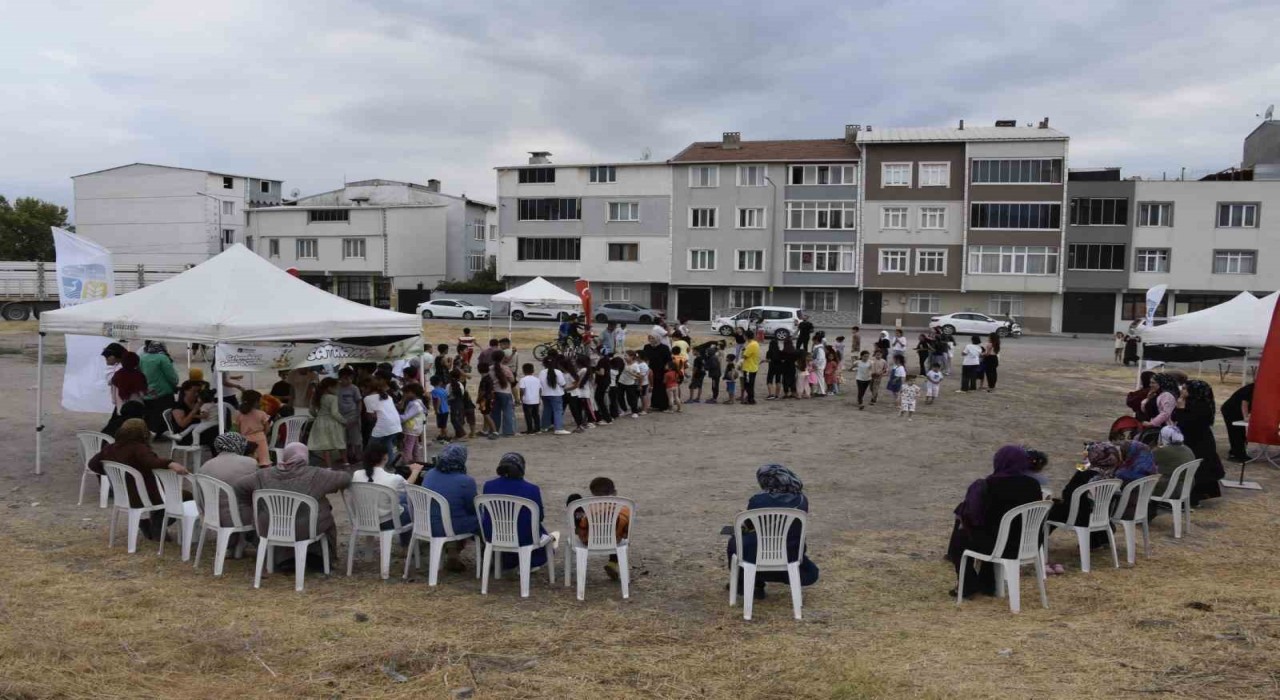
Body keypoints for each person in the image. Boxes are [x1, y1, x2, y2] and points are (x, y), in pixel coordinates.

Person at [234, 442, 352, 570]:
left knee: (317, 508)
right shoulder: (317, 474)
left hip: (271, 527)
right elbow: (345, 478)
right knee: (323, 511)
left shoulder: (263, 475)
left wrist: (254, 507)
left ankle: (285, 558)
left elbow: (239, 486)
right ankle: (320, 557)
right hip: (306, 529)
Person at [947, 446, 1042, 598]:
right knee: (994, 532)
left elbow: (975, 517)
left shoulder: (990, 485)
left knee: (961, 539)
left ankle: (967, 585)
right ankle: (987, 583)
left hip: (999, 546)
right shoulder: (1033, 485)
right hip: (1027, 544)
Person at [726, 464, 819, 600]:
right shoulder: (801, 500)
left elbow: (750, 526)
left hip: (757, 555)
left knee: (736, 542)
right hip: (790, 553)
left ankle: (748, 585)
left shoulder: (758, 500)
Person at [87, 418, 190, 541]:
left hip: (123, 494)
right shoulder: (138, 447)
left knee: (164, 495)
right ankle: (158, 524)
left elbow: (92, 464)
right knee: (186, 496)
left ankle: (149, 524)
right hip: (144, 495)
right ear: (143, 432)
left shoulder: (110, 448)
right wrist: (170, 463)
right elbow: (151, 461)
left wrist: (113, 473)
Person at [481, 452, 551, 570]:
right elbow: (539, 517)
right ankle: (529, 563)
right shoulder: (532, 489)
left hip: (494, 535)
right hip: (524, 537)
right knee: (538, 531)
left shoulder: (488, 486)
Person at [420, 443, 480, 571]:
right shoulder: (465, 481)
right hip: (447, 526)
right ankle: (492, 560)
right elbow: (472, 508)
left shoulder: (430, 473)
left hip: (424, 523)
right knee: (482, 519)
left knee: (452, 515)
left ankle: (453, 555)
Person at [352, 443, 422, 547]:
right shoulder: (394, 478)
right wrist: (415, 471)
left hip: (363, 520)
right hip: (386, 522)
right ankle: (406, 546)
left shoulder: (356, 474)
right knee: (409, 508)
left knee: (401, 499)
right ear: (385, 457)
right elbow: (408, 488)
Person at [568, 476, 630, 581]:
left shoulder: (589, 507)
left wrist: (579, 528)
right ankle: (612, 564)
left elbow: (583, 527)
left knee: (574, 498)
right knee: (612, 530)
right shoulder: (625, 508)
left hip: (589, 540)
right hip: (614, 540)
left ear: (592, 493)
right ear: (615, 492)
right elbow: (626, 533)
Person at [1174, 380, 1225, 505]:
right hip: (1192, 439)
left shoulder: (1201, 406)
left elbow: (1187, 423)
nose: (1182, 391)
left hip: (1199, 441)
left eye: (1185, 389)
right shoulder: (1191, 402)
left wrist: (1181, 409)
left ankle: (1194, 497)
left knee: (1199, 470)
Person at [201, 433, 259, 530]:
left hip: (213, 516)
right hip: (241, 517)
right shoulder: (250, 463)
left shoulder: (205, 466)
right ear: (239, 444)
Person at [139, 341, 179, 436]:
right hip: (163, 392)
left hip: (147, 392)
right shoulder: (163, 358)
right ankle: (160, 432)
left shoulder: (142, 357)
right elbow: (172, 377)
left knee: (150, 414)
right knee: (163, 414)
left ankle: (150, 432)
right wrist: (175, 383)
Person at [306, 377, 347, 468]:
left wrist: (317, 416)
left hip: (320, 422)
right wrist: (344, 421)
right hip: (332, 423)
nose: (337, 389)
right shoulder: (333, 398)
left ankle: (329, 467)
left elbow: (311, 411)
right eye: (335, 387)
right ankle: (346, 463)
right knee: (340, 442)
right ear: (329, 387)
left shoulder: (316, 396)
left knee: (325, 446)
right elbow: (334, 413)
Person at [364, 376, 403, 465]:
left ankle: (368, 465)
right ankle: (391, 463)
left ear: (367, 388)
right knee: (387, 442)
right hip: (396, 424)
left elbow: (372, 416)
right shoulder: (387, 396)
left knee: (371, 446)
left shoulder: (368, 399)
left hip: (384, 424)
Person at [1154, 426, 1197, 494]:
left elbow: (1148, 463)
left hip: (1172, 489)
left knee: (1141, 483)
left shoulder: (1162, 451)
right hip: (1188, 486)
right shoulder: (1187, 448)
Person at [1221, 382, 1255, 461]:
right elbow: (1245, 403)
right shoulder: (1252, 388)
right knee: (1235, 432)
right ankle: (1237, 455)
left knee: (1240, 432)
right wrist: (1246, 417)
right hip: (1230, 409)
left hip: (1237, 410)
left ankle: (1238, 452)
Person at [336, 367, 364, 464]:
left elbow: (359, 402)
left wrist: (357, 415)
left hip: (352, 415)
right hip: (340, 416)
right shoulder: (336, 387)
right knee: (344, 438)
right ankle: (348, 456)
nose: (347, 381)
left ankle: (358, 457)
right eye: (345, 378)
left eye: (349, 378)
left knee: (355, 438)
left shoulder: (354, 388)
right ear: (340, 378)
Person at [489, 351, 517, 437]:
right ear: (503, 358)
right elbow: (512, 380)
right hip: (505, 392)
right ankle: (508, 431)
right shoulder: (505, 368)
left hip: (494, 392)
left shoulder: (490, 368)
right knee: (508, 412)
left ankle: (494, 430)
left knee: (495, 413)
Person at [539, 357, 569, 435]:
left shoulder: (542, 372)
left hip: (545, 394)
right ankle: (558, 428)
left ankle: (544, 426)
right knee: (558, 411)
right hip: (556, 394)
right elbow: (563, 384)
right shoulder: (558, 372)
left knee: (546, 410)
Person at [642, 336, 672, 412]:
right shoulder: (647, 347)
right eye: (650, 338)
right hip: (650, 369)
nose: (651, 340)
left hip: (661, 370)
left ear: (658, 339)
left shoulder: (664, 348)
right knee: (652, 387)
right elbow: (644, 357)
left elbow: (669, 359)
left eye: (653, 338)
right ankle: (654, 404)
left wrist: (667, 366)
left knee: (661, 388)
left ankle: (663, 406)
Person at [400, 383, 428, 461]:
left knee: (407, 449)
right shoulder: (418, 402)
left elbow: (405, 417)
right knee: (415, 448)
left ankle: (406, 465)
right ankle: (416, 463)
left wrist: (395, 416)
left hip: (411, 429)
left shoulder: (415, 404)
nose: (404, 395)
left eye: (406, 393)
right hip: (415, 429)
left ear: (413, 393)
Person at [517, 362, 542, 434]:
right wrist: (539, 398)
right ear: (533, 370)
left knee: (528, 415)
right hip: (536, 400)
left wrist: (521, 397)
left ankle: (530, 429)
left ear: (523, 371)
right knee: (536, 415)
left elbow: (522, 389)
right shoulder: (537, 379)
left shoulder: (523, 379)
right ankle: (537, 428)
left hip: (527, 400)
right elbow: (540, 389)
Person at [740, 332, 760, 405]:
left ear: (746, 336)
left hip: (749, 368)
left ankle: (750, 399)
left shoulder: (751, 345)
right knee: (750, 384)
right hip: (753, 366)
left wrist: (743, 351)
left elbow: (744, 356)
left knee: (748, 385)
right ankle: (749, 398)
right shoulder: (755, 343)